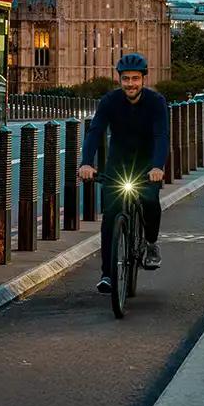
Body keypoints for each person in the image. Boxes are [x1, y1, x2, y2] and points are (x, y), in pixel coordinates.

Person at [78, 53, 168, 295]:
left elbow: (161, 137)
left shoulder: (156, 102)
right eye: (126, 79)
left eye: (135, 79)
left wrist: (158, 167)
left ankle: (150, 244)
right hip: (118, 165)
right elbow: (95, 132)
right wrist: (86, 163)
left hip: (147, 165)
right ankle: (107, 274)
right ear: (119, 80)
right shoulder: (109, 101)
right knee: (110, 216)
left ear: (144, 80)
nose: (130, 84)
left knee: (149, 200)